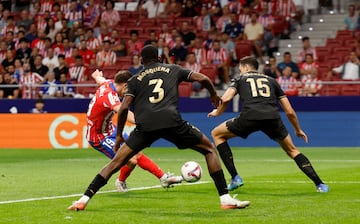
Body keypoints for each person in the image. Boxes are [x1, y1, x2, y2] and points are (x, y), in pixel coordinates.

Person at [68, 45, 250, 211]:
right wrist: (213, 96)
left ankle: (83, 200)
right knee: (209, 149)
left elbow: (123, 108)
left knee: (116, 162)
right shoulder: (173, 69)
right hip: (172, 122)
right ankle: (225, 199)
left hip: (145, 126)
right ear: (160, 58)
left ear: (141, 61)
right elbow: (202, 78)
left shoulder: (135, 79)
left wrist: (118, 137)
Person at [208, 56, 329, 193]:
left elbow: (226, 99)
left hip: (250, 117)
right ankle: (320, 184)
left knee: (217, 134)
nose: (240, 71)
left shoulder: (240, 79)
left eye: (241, 68)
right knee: (292, 150)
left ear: (246, 67)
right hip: (272, 118)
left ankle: (235, 177)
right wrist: (298, 129)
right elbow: (289, 111)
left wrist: (218, 112)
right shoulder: (272, 81)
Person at [81, 68, 183, 193]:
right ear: (125, 85)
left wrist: (96, 75)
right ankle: (119, 181)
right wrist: (144, 122)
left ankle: (161, 178)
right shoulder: (109, 96)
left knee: (136, 152)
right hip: (99, 137)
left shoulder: (109, 83)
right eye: (129, 90)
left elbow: (100, 80)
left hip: (110, 129)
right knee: (132, 159)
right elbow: (124, 112)